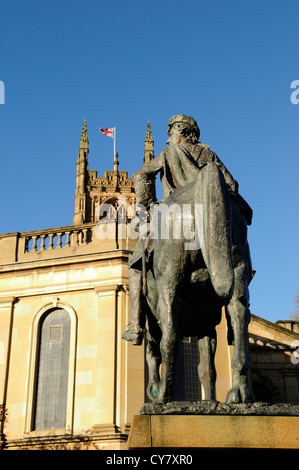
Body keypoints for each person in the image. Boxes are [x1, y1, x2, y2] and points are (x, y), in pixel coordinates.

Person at [122, 114, 252, 345]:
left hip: (172, 219)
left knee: (135, 265)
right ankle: (237, 325)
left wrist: (145, 212)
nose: (170, 135)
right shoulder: (209, 156)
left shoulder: (169, 152)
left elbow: (141, 175)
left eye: (171, 131)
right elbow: (231, 185)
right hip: (211, 217)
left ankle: (135, 326)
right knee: (239, 260)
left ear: (180, 132)